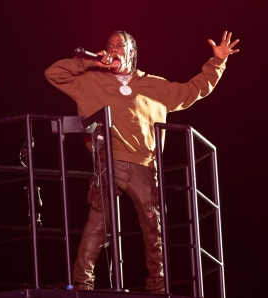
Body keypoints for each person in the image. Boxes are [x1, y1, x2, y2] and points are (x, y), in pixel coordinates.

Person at [44, 30, 239, 293]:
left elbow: (193, 90)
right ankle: (82, 284)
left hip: (144, 165)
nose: (114, 49)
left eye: (120, 45)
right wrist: (92, 62)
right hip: (107, 161)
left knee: (153, 225)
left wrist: (217, 62)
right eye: (109, 45)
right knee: (98, 223)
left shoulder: (153, 85)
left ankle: (158, 287)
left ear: (132, 52)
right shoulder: (89, 81)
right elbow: (53, 73)